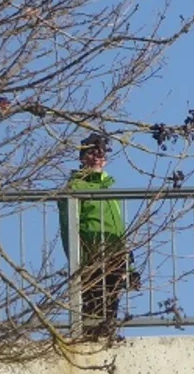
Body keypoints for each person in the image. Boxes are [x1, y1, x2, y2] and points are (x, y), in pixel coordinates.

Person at [58, 133, 136, 338]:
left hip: (114, 256)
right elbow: (68, 228)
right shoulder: (75, 187)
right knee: (92, 308)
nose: (97, 157)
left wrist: (129, 265)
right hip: (91, 257)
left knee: (110, 309)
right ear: (82, 157)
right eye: (92, 153)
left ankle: (105, 338)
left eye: (101, 153)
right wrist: (79, 261)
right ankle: (90, 341)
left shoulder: (109, 188)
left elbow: (119, 230)